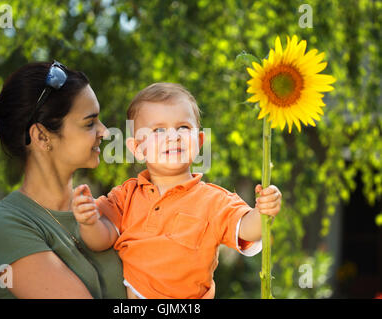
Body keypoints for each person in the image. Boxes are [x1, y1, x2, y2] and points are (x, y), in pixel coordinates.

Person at [71, 82, 282, 299]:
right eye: (159, 130)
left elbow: (247, 229)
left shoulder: (213, 201)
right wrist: (89, 222)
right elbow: (101, 239)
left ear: (199, 141)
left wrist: (263, 211)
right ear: (137, 149)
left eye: (183, 127)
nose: (173, 136)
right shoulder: (126, 196)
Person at [0, 61, 126, 299]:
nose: (105, 131)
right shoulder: (1, 225)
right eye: (89, 123)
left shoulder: (104, 210)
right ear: (41, 136)